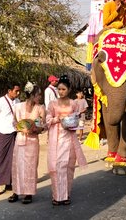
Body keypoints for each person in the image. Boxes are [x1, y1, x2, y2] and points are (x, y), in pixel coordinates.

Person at [46, 77, 87, 206]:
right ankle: (56, 196)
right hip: (56, 138)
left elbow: (76, 118)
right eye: (59, 89)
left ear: (69, 90)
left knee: (68, 167)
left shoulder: (73, 104)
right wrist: (58, 119)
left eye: (63, 89)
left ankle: (66, 195)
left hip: (69, 138)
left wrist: (71, 122)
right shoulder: (52, 104)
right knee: (55, 167)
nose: (61, 91)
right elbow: (47, 119)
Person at [8, 83, 46, 204]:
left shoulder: (40, 108)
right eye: (38, 94)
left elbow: (44, 125)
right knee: (17, 166)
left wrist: (36, 129)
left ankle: (28, 193)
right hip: (20, 139)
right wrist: (20, 128)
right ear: (31, 94)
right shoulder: (18, 107)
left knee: (30, 166)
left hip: (32, 141)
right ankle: (16, 191)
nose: (40, 97)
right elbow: (13, 122)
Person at [0, 84, 21, 196]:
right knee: (1, 158)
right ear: (9, 90)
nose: (18, 93)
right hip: (3, 132)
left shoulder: (18, 102)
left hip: (15, 132)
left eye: (19, 91)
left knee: (13, 158)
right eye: (16, 91)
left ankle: (9, 183)